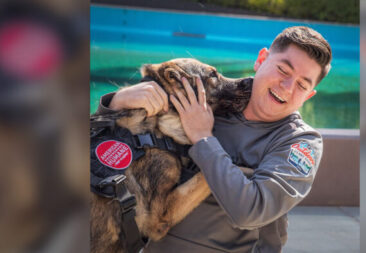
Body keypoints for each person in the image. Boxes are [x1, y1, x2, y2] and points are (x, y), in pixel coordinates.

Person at [97, 26, 332, 252]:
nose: (288, 87)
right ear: (261, 59)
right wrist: (116, 103)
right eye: (283, 70)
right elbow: (108, 152)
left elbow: (251, 211)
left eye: (302, 84)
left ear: (309, 96)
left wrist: (203, 138)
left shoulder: (298, 142)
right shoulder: (207, 92)